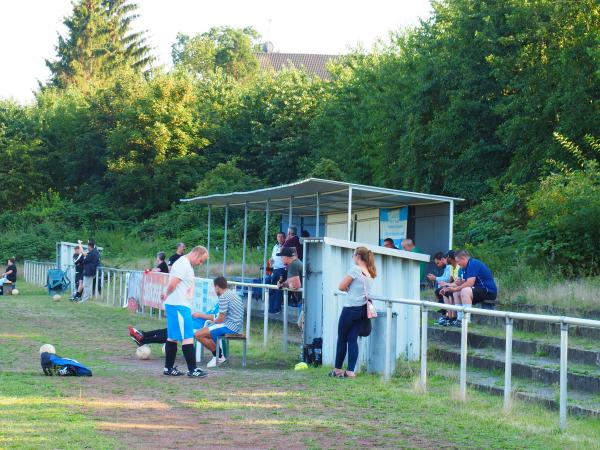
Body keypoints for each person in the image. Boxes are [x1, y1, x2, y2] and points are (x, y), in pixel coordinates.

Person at [160, 245, 209, 378]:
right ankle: (192, 370)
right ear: (196, 255)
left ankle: (168, 368)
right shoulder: (183, 264)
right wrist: (166, 294)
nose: (200, 263)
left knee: (173, 337)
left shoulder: (185, 264)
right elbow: (173, 284)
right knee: (187, 337)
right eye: (201, 260)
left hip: (177, 304)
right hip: (178, 306)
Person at [330, 246, 376, 379]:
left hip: (350, 308)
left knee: (342, 338)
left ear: (357, 256)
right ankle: (350, 371)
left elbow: (341, 286)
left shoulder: (355, 269)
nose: (352, 257)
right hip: (362, 309)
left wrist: (348, 288)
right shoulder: (369, 271)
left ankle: (337, 369)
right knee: (352, 339)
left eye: (353, 255)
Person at [196, 277, 244, 368]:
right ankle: (219, 355)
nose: (214, 290)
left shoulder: (223, 297)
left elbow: (221, 319)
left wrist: (212, 323)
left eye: (214, 287)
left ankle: (218, 356)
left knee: (198, 334)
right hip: (235, 326)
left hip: (229, 326)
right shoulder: (232, 294)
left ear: (217, 287)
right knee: (205, 332)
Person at [446, 250, 498, 326]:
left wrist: (456, 288)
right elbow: (466, 282)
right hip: (478, 290)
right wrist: (458, 283)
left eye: (458, 261)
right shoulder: (464, 267)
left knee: (464, 290)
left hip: (488, 291)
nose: (457, 264)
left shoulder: (473, 263)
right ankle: (460, 319)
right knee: (456, 293)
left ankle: (466, 320)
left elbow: (470, 283)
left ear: (463, 258)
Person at [128, 304, 220, 346]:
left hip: (201, 326)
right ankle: (144, 335)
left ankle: (143, 338)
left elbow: (217, 318)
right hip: (195, 321)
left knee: (171, 332)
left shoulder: (225, 303)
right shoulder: (219, 302)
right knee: (170, 330)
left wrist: (199, 314)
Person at [426, 252, 452, 325]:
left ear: (443, 259)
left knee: (440, 291)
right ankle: (444, 314)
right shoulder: (446, 268)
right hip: (449, 287)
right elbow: (443, 280)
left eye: (438, 263)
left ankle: (445, 315)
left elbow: (447, 279)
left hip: (452, 287)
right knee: (439, 291)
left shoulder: (449, 267)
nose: (438, 266)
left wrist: (435, 278)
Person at [269, 232, 287, 313]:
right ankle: (271, 308)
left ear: (284, 238)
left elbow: (288, 260)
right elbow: (272, 258)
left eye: (281, 237)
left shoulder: (286, 247)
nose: (279, 238)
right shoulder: (275, 247)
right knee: (272, 289)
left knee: (279, 290)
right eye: (278, 237)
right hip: (275, 270)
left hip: (282, 270)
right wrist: (271, 261)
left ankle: (277, 308)